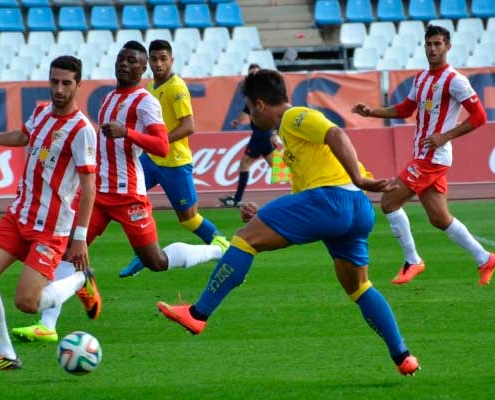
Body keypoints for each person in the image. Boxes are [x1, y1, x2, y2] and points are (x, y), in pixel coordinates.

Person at [157, 69, 420, 376]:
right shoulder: (290, 137)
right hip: (356, 209)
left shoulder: (295, 116)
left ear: (258, 105)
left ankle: (198, 313)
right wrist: (263, 215)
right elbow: (301, 202)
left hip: (332, 199)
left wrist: (360, 178)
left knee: (243, 240)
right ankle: (403, 356)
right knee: (359, 287)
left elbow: (336, 133)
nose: (250, 116)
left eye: (248, 108)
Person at [11, 42, 228, 342]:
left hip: (129, 197)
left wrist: (128, 132)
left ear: (143, 69)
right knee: (67, 249)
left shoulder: (145, 101)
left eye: (133, 61)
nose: (124, 65)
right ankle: (48, 325)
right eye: (121, 59)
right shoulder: (109, 98)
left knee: (155, 262)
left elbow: (162, 145)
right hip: (99, 194)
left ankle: (218, 250)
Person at [0, 55, 100, 371]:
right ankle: (6, 355)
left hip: (51, 227)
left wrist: (80, 238)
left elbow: (89, 185)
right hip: (19, 215)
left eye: (66, 83)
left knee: (27, 303)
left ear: (78, 85)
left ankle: (81, 280)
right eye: (54, 81)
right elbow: (23, 136)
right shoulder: (42, 111)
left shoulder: (83, 130)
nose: (59, 89)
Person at [351, 24, 493, 285]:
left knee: (389, 202)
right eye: (429, 44)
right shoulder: (422, 78)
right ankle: (485, 258)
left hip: (432, 157)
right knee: (439, 218)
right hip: (424, 154)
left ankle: (413, 260)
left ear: (447, 47)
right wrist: (372, 112)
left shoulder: (455, 80)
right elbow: (405, 109)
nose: (432, 49)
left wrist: (444, 136)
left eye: (438, 44)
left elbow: (480, 116)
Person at [118, 39, 228, 278]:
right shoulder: (150, 87)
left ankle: (224, 246)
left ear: (172, 60)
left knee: (189, 219)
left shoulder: (177, 88)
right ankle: (143, 255)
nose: (158, 64)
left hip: (175, 163)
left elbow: (188, 126)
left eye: (163, 59)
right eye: (154, 59)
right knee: (129, 199)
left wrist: (160, 142)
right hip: (152, 160)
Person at [219, 63, 279, 207]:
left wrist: (274, 132)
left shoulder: (265, 94)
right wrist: (238, 122)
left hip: (261, 134)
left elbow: (275, 114)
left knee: (245, 164)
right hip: (262, 134)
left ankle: (237, 199)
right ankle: (303, 189)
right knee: (279, 167)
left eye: (256, 73)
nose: (254, 76)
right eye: (251, 73)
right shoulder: (255, 94)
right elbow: (246, 111)